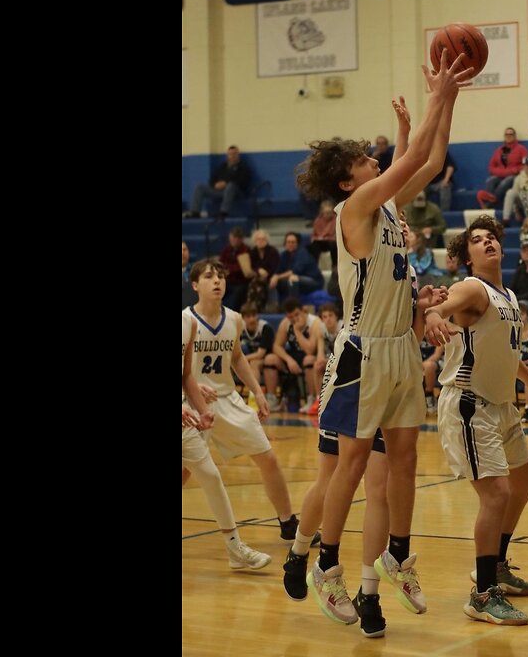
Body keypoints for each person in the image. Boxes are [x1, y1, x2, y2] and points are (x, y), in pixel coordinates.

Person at [292, 50, 471, 626]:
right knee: (348, 467)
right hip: (362, 352)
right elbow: (415, 153)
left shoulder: (388, 209)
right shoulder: (357, 206)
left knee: (404, 459)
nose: (376, 161)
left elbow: (433, 155)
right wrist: (438, 91)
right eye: (366, 159)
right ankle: (326, 565)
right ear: (349, 180)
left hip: (399, 348)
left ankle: (396, 555)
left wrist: (450, 102)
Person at [423, 214, 528, 626]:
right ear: (468, 257)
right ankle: (482, 594)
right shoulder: (471, 287)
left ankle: (496, 565)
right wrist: (432, 314)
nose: (488, 243)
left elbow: (503, 348)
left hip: (501, 405)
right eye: (477, 241)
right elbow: (442, 308)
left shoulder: (509, 295)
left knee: (526, 480)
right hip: (469, 404)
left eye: (491, 238)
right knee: (496, 494)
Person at [183, 259, 311, 550]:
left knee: (268, 457)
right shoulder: (186, 321)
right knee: (185, 472)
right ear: (194, 285)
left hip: (228, 399)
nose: (217, 282)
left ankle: (288, 523)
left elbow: (238, 357)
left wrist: (259, 391)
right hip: (193, 402)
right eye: (208, 277)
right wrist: (194, 388)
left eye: (221, 277)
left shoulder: (235, 319)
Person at [182, 311, 271, 571]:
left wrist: (203, 409)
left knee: (210, 476)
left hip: (186, 416)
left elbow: (186, 376)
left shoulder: (189, 323)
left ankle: (235, 548)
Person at [185, 145, 252, 218]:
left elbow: (243, 182)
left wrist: (226, 183)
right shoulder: (222, 166)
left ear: (238, 155)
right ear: (227, 155)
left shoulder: (244, 168)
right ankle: (195, 212)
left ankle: (223, 212)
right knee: (199, 187)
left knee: (230, 185)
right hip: (221, 192)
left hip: (236, 192)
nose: (232, 156)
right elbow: (212, 179)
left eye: (234, 154)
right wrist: (215, 184)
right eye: (230, 154)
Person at [479, 127, 528, 207]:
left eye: (511, 134)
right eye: (506, 134)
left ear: (515, 136)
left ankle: (488, 204)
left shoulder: (522, 149)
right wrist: (501, 172)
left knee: (505, 182)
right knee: (490, 180)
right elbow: (491, 167)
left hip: (514, 176)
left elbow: (526, 166)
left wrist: (514, 170)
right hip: (499, 176)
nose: (508, 136)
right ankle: (489, 201)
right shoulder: (499, 150)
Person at [269, 232, 323, 304]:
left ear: (297, 243)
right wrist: (275, 276)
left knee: (293, 279)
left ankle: (294, 307)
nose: (290, 244)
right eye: (288, 242)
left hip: (313, 281)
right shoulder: (284, 255)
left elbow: (295, 271)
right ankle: (274, 306)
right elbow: (278, 270)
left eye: (293, 242)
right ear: (285, 243)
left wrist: (277, 277)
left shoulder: (302, 253)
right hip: (297, 280)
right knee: (273, 281)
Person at [309, 200, 339, 268]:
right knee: (312, 245)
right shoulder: (318, 220)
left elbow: (336, 236)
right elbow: (313, 235)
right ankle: (314, 266)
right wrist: (316, 238)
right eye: (326, 213)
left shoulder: (337, 219)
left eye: (329, 212)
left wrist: (324, 238)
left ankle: (335, 265)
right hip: (320, 241)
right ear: (322, 212)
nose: (328, 214)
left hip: (332, 241)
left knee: (333, 245)